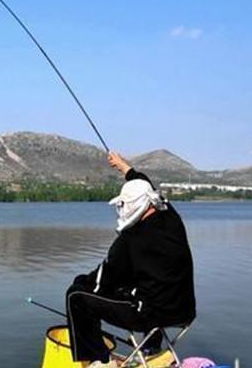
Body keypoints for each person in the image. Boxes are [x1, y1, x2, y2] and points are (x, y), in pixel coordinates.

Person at [65, 152, 196, 367]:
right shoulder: (172, 219)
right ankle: (151, 347)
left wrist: (81, 282)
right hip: (184, 311)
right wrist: (125, 168)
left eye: (124, 204)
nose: (122, 209)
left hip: (150, 315)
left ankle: (98, 361)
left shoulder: (131, 239)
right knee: (143, 284)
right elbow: (146, 186)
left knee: (76, 295)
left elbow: (103, 281)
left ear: (132, 206)